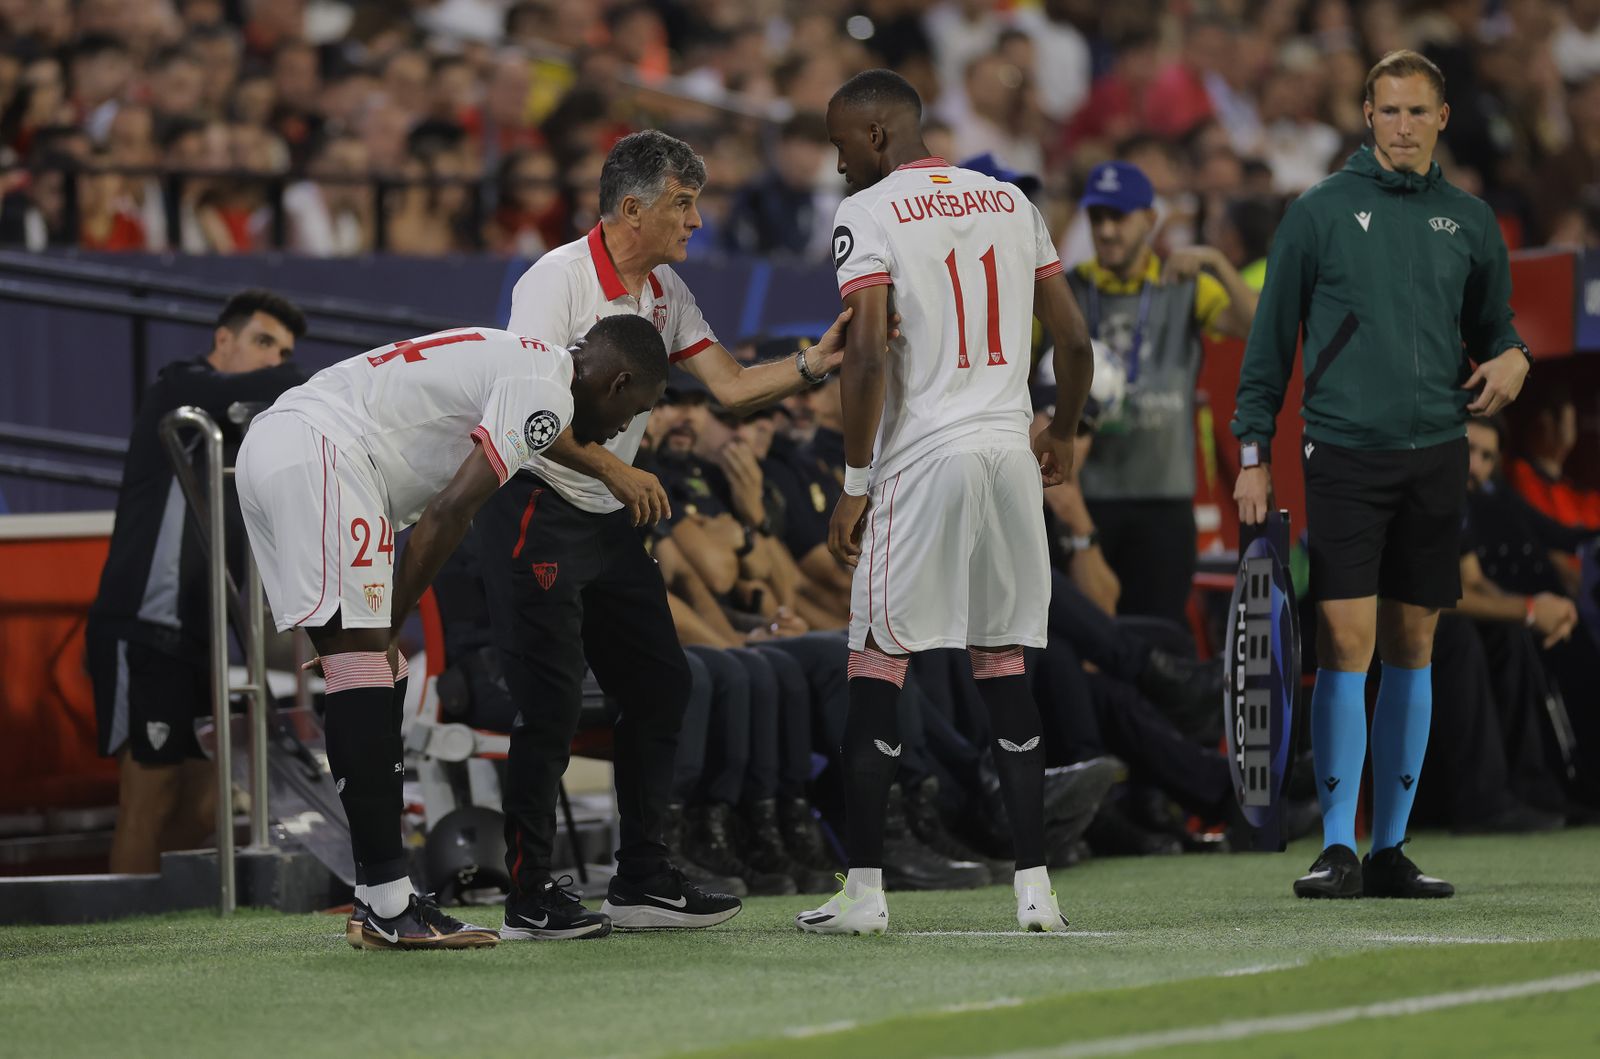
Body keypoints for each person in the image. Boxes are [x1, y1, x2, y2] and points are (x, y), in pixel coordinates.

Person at [480, 129, 862, 939]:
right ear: (631, 208)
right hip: (537, 504)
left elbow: (725, 381)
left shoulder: (664, 290)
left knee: (660, 683)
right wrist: (619, 470)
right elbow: (520, 416)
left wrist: (813, 363)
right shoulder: (556, 282)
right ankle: (527, 896)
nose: (697, 221)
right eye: (683, 204)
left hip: (607, 513)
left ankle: (642, 877)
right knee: (548, 706)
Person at [235, 314, 669, 949]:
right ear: (618, 381)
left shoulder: (527, 363)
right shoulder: (547, 394)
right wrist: (389, 624)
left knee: (368, 671)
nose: (627, 426)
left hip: (289, 445)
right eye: (637, 407)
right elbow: (448, 514)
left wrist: (384, 631)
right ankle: (388, 903)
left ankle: (380, 896)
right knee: (369, 665)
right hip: (324, 453)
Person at [795, 68, 1093, 936]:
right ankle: (1036, 889)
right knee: (1003, 665)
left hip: (925, 456)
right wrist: (1062, 433)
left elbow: (867, 358)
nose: (837, 161)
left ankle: (865, 892)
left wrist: (854, 484)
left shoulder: (870, 212)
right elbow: (1072, 339)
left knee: (876, 662)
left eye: (842, 141)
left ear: (879, 136)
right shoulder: (1010, 202)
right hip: (1006, 450)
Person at [1232, 50, 1533, 900]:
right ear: (1366, 114)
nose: (1401, 126)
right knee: (1346, 643)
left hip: (1438, 450)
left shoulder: (1472, 221)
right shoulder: (1319, 211)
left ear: (1442, 118)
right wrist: (1254, 454)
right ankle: (1337, 844)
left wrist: (1516, 359)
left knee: (1414, 644)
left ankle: (1391, 848)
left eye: (1416, 112)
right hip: (1343, 453)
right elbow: (1268, 348)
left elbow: (1499, 329)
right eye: (1388, 111)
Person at [86, 290, 306, 875]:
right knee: (148, 798)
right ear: (222, 341)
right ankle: (120, 944)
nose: (275, 361)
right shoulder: (178, 391)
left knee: (206, 800)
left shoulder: (248, 431)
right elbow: (264, 391)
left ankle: (165, 924)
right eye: (264, 343)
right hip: (145, 625)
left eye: (284, 351)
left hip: (203, 639)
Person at [1066, 159, 1258, 626]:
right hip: (1089, 500)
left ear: (1150, 220)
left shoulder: (1184, 287)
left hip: (1165, 501)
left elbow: (1257, 326)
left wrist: (1214, 261)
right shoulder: (1067, 289)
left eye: (1119, 218)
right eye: (1097, 219)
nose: (1107, 231)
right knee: (1091, 642)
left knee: (1162, 638)